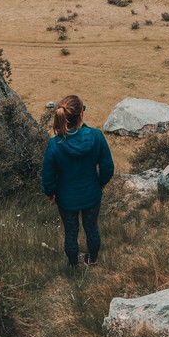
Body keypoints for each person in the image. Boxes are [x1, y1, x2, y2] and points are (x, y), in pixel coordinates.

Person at [41, 95, 114, 267]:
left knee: (71, 232)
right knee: (91, 228)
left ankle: (73, 264)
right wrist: (101, 182)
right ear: (81, 114)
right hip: (92, 193)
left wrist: (49, 192)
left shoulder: (55, 144)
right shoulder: (96, 136)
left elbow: (48, 175)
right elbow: (107, 167)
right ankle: (93, 259)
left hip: (66, 198)